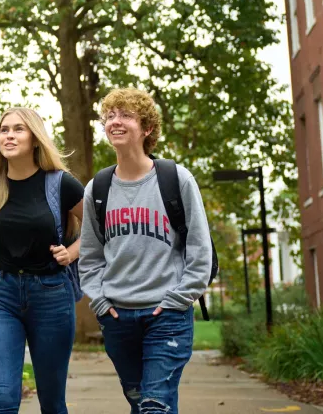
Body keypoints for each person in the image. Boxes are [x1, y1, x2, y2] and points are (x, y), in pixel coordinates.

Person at [79, 88, 213, 414]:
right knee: (143, 403)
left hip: (166, 315)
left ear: (147, 128)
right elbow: (90, 255)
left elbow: (199, 250)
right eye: (110, 116)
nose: (115, 122)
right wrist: (98, 299)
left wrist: (178, 300)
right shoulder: (97, 189)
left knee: (155, 404)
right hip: (117, 317)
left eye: (125, 115)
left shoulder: (176, 179)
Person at [0, 107, 84, 414]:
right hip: (2, 294)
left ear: (35, 139)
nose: (9, 135)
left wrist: (72, 252)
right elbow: (0, 227)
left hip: (51, 294)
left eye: (18, 129)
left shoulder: (61, 183)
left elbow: (98, 227)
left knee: (52, 403)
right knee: (4, 400)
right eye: (4, 130)